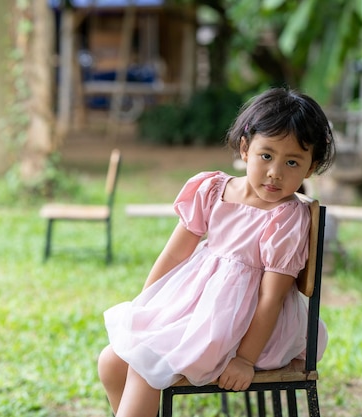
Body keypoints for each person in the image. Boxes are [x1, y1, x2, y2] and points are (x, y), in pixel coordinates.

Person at [98, 87, 335, 417]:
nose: (275, 173)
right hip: (201, 310)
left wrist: (245, 360)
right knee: (111, 361)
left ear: (310, 168)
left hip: (250, 329)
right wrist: (146, 306)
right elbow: (174, 255)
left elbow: (271, 298)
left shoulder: (285, 218)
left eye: (292, 162)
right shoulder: (213, 189)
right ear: (245, 148)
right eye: (266, 155)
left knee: (145, 365)